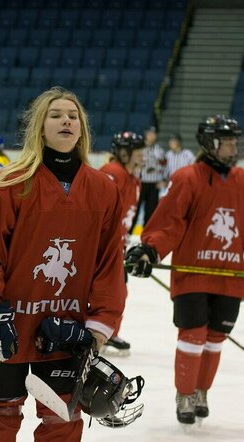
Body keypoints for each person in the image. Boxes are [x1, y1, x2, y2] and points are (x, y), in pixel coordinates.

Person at [0, 87, 128, 441]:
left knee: (62, 422)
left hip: (68, 329)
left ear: (82, 129)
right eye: (56, 115)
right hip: (6, 323)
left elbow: (109, 262)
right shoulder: (10, 183)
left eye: (73, 116)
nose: (66, 120)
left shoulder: (104, 189)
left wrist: (99, 327)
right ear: (40, 126)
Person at [126, 115, 243, 425]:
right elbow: (170, 221)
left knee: (216, 338)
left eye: (234, 141)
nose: (233, 147)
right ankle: (185, 393)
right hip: (194, 273)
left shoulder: (242, 181)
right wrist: (150, 248)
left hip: (232, 276)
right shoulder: (188, 177)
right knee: (192, 336)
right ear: (209, 142)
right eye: (227, 141)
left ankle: (201, 391)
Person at [98, 131, 145, 355]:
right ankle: (103, 332)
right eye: (138, 152)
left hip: (117, 246)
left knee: (118, 289)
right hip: (102, 246)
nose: (143, 156)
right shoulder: (112, 173)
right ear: (125, 154)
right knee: (108, 290)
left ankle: (108, 331)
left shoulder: (134, 178)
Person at [131, 126, 166, 232]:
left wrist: (163, 179)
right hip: (140, 183)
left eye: (153, 134)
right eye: (150, 133)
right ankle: (128, 233)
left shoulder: (159, 149)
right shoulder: (139, 148)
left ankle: (147, 235)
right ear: (146, 134)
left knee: (150, 212)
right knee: (134, 210)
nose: (151, 136)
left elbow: (164, 164)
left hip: (153, 184)